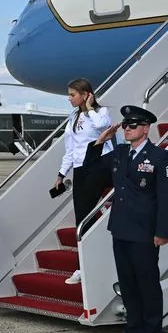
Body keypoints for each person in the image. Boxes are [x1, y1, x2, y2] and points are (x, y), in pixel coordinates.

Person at [83, 105, 168, 333]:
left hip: (145, 232)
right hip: (121, 229)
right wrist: (99, 142)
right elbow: (91, 169)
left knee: (147, 285)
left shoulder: (160, 157)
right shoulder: (119, 154)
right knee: (127, 285)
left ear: (146, 129)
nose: (126, 129)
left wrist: (163, 231)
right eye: (125, 125)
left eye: (132, 125)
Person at [54, 78, 113, 285]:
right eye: (69, 95)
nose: (69, 98)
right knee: (81, 218)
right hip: (80, 169)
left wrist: (89, 108)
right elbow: (70, 149)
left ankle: (92, 263)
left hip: (99, 164)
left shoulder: (101, 112)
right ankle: (84, 266)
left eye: (72, 95)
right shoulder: (72, 118)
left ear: (86, 95)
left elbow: (102, 126)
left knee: (88, 214)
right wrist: (61, 174)